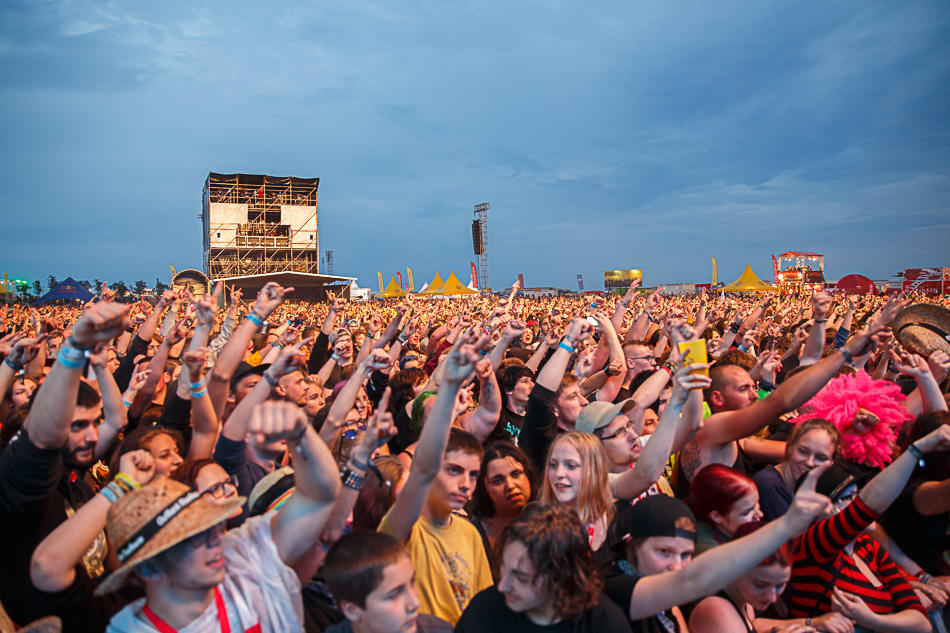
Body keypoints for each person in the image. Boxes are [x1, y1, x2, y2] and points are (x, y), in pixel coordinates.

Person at [100, 399, 342, 633]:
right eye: (191, 537)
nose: (215, 539)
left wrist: (299, 432)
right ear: (148, 568)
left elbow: (319, 495)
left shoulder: (240, 558)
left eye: (211, 527)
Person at [0, 301, 130, 625]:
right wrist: (74, 347)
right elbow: (42, 441)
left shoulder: (73, 474)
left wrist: (100, 365)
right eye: (77, 426)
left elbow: (116, 421)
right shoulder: (19, 485)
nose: (91, 436)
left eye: (92, 424)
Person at [788, 422, 950, 632]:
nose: (856, 501)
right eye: (848, 498)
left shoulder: (868, 548)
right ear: (821, 509)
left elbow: (921, 624)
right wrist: (916, 450)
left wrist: (872, 620)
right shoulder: (814, 545)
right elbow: (867, 507)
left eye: (857, 494)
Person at [377, 334, 493, 625]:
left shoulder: (470, 533)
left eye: (473, 475)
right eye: (453, 471)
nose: (466, 483)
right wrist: (450, 387)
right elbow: (424, 468)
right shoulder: (405, 524)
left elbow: (484, 606)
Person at [455, 503, 633, 632]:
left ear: (561, 576)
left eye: (521, 577)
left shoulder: (602, 622)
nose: (503, 586)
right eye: (504, 569)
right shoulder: (485, 611)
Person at [322, 531, 452, 633]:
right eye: (393, 595)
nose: (415, 603)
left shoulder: (440, 629)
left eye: (412, 582)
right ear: (353, 610)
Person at [754, 419, 839, 521]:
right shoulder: (769, 485)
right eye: (803, 452)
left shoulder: (816, 488)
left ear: (832, 461)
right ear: (790, 448)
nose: (809, 462)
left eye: (821, 458)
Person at [469, 443, 535, 551]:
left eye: (516, 475)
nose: (510, 486)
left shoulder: (549, 522)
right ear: (484, 489)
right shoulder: (473, 533)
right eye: (498, 481)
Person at [686, 464, 763, 555]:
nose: (760, 514)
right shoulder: (710, 553)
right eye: (746, 512)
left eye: (756, 504)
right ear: (716, 517)